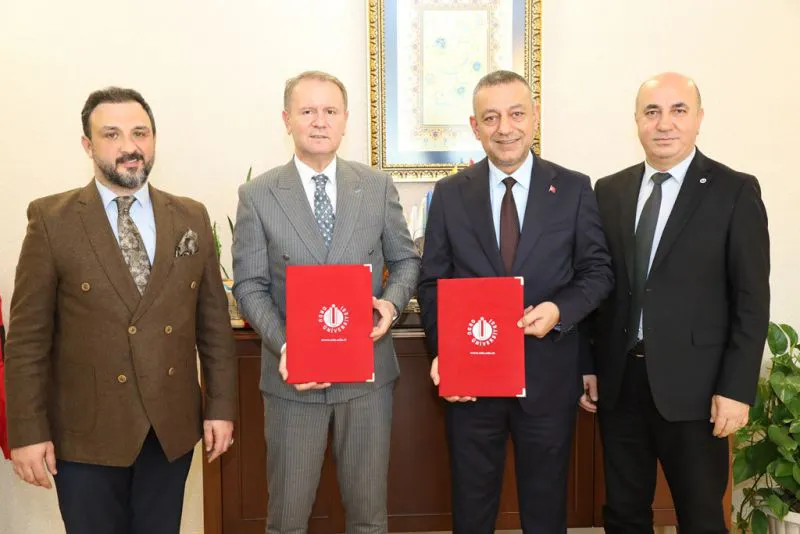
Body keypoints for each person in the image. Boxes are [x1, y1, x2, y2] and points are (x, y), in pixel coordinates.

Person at [4, 87, 238, 534]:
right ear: (87, 145)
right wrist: (28, 433)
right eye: (111, 134)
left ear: (154, 139)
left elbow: (213, 328)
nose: (129, 146)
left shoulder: (189, 216)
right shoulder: (52, 220)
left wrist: (221, 408)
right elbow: (27, 341)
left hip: (169, 430)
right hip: (85, 432)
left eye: (140, 133)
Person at [417, 70, 613, 533]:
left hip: (547, 379)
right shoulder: (449, 194)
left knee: (545, 512)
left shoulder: (573, 188)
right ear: (475, 126)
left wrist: (560, 311)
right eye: (491, 117)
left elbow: (598, 272)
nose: (505, 128)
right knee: (472, 510)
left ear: (535, 116)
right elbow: (433, 284)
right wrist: (447, 356)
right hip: (472, 382)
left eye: (516, 114)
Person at [232, 70, 419, 534]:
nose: (320, 121)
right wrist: (288, 346)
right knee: (287, 519)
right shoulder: (258, 195)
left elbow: (406, 261)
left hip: (367, 378)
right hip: (293, 381)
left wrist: (391, 304)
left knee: (369, 517)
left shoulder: (376, 186)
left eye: (330, 111)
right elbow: (249, 285)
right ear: (287, 119)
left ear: (345, 120)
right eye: (308, 111)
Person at [586, 72, 770, 534]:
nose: (664, 123)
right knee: (623, 514)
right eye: (652, 112)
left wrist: (736, 388)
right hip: (621, 384)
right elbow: (599, 286)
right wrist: (588, 364)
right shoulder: (609, 191)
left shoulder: (733, 190)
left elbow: (751, 299)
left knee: (702, 517)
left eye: (678, 110)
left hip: (698, 391)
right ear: (637, 121)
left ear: (699, 118)